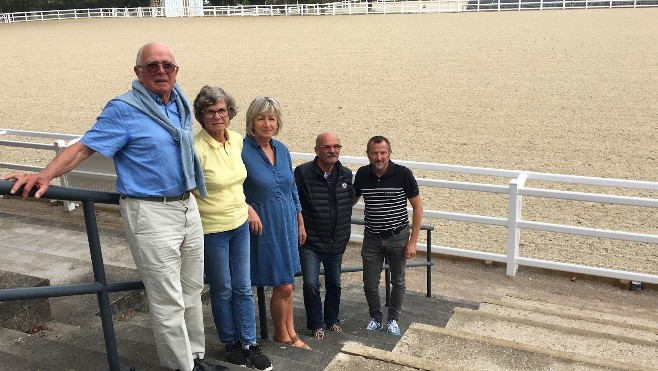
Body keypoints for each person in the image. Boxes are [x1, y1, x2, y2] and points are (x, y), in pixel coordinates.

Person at [3, 42, 225, 371]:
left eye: (167, 65)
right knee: (168, 299)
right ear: (138, 72)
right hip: (150, 212)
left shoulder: (179, 103)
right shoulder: (123, 109)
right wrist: (45, 174)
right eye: (152, 66)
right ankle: (182, 368)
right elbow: (84, 148)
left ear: (177, 71)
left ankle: (195, 358)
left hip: (185, 206)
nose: (161, 71)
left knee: (192, 289)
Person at [192, 86, 272, 371]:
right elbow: (188, 191)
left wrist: (248, 207)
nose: (217, 116)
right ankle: (230, 343)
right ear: (201, 116)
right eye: (210, 111)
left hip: (239, 224)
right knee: (223, 288)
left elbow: (239, 184)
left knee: (243, 287)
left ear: (230, 113)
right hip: (211, 228)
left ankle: (250, 343)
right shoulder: (195, 148)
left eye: (222, 110)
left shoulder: (236, 141)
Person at [241, 96, 310, 350]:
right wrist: (246, 207)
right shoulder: (241, 149)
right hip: (262, 225)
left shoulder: (281, 149)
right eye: (261, 118)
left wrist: (300, 220)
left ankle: (290, 331)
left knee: (288, 283)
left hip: (286, 224)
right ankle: (283, 334)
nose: (267, 123)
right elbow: (231, 185)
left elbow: (292, 188)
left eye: (272, 118)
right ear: (251, 121)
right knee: (282, 284)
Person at [351, 135, 424, 337]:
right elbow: (351, 199)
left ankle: (393, 319)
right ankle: (376, 318)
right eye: (374, 153)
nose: (379, 157)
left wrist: (413, 242)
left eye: (383, 152)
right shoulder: (362, 175)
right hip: (372, 237)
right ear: (367, 155)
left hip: (398, 236)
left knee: (398, 281)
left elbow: (417, 207)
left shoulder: (403, 174)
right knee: (369, 282)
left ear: (389, 153)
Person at [294, 131, 353, 340]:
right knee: (311, 284)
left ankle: (332, 320)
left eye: (336, 146)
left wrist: (343, 232)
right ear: (317, 150)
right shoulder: (302, 173)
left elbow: (348, 201)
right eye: (327, 147)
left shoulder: (346, 174)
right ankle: (315, 324)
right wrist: (300, 226)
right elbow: (295, 202)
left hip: (336, 242)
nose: (332, 150)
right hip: (310, 242)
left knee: (335, 284)